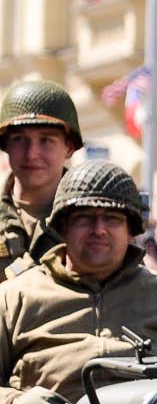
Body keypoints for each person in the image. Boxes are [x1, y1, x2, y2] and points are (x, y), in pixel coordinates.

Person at [0, 161, 157, 404]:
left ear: (131, 230)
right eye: (84, 218)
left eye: (112, 218)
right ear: (62, 227)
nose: (99, 230)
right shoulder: (13, 299)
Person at [0, 81, 83, 276]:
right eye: (19, 139)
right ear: (5, 146)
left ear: (69, 147)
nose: (31, 154)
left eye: (46, 140)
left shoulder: (93, 218)